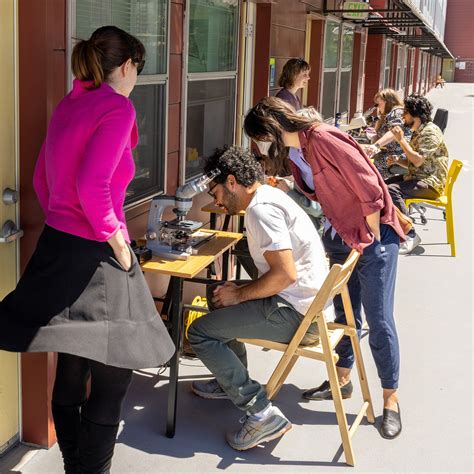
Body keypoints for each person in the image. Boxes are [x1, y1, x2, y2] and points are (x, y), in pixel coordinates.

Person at [0, 26, 174, 473]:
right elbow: (93, 184)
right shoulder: (117, 108)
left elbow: (43, 180)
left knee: (74, 366)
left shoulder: (69, 104)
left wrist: (66, 219)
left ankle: (75, 465)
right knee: (115, 377)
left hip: (59, 246)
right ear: (128, 65)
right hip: (99, 251)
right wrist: (118, 241)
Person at [244, 97, 406, 440]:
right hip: (342, 236)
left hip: (372, 236)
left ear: (271, 128)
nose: (258, 145)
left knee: (379, 320)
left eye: (258, 137)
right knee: (346, 316)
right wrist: (288, 185)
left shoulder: (322, 137)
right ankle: (343, 378)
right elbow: (322, 192)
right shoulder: (293, 152)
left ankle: (391, 399)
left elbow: (370, 186)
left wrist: (372, 234)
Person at [188, 146, 333, 451]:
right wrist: (234, 294)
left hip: (297, 316)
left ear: (231, 182)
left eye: (214, 191)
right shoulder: (268, 195)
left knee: (199, 333)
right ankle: (229, 382)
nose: (214, 200)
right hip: (308, 305)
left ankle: (261, 413)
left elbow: (284, 275)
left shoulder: (259, 210)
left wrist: (240, 294)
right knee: (218, 296)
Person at [386, 94, 449, 255]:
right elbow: (414, 162)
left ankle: (410, 234)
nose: (402, 116)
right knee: (383, 185)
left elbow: (419, 160)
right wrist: (398, 161)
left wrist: (401, 140)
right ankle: (391, 230)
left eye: (405, 112)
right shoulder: (418, 130)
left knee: (393, 190)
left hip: (430, 183)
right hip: (418, 177)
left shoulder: (430, 132)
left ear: (415, 114)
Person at [363, 89, 412, 180]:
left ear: (388, 102)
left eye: (378, 104)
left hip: (401, 152)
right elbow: (380, 135)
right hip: (391, 151)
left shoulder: (397, 112)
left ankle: (380, 188)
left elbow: (394, 132)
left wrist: (376, 146)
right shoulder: (386, 115)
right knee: (366, 160)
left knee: (373, 166)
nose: (377, 107)